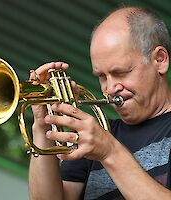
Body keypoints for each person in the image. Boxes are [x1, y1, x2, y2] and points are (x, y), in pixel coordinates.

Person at [28, 6, 171, 200]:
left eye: (121, 72)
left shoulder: (102, 142)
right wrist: (42, 125)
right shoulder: (96, 137)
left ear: (160, 60)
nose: (110, 88)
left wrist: (110, 152)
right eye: (102, 76)